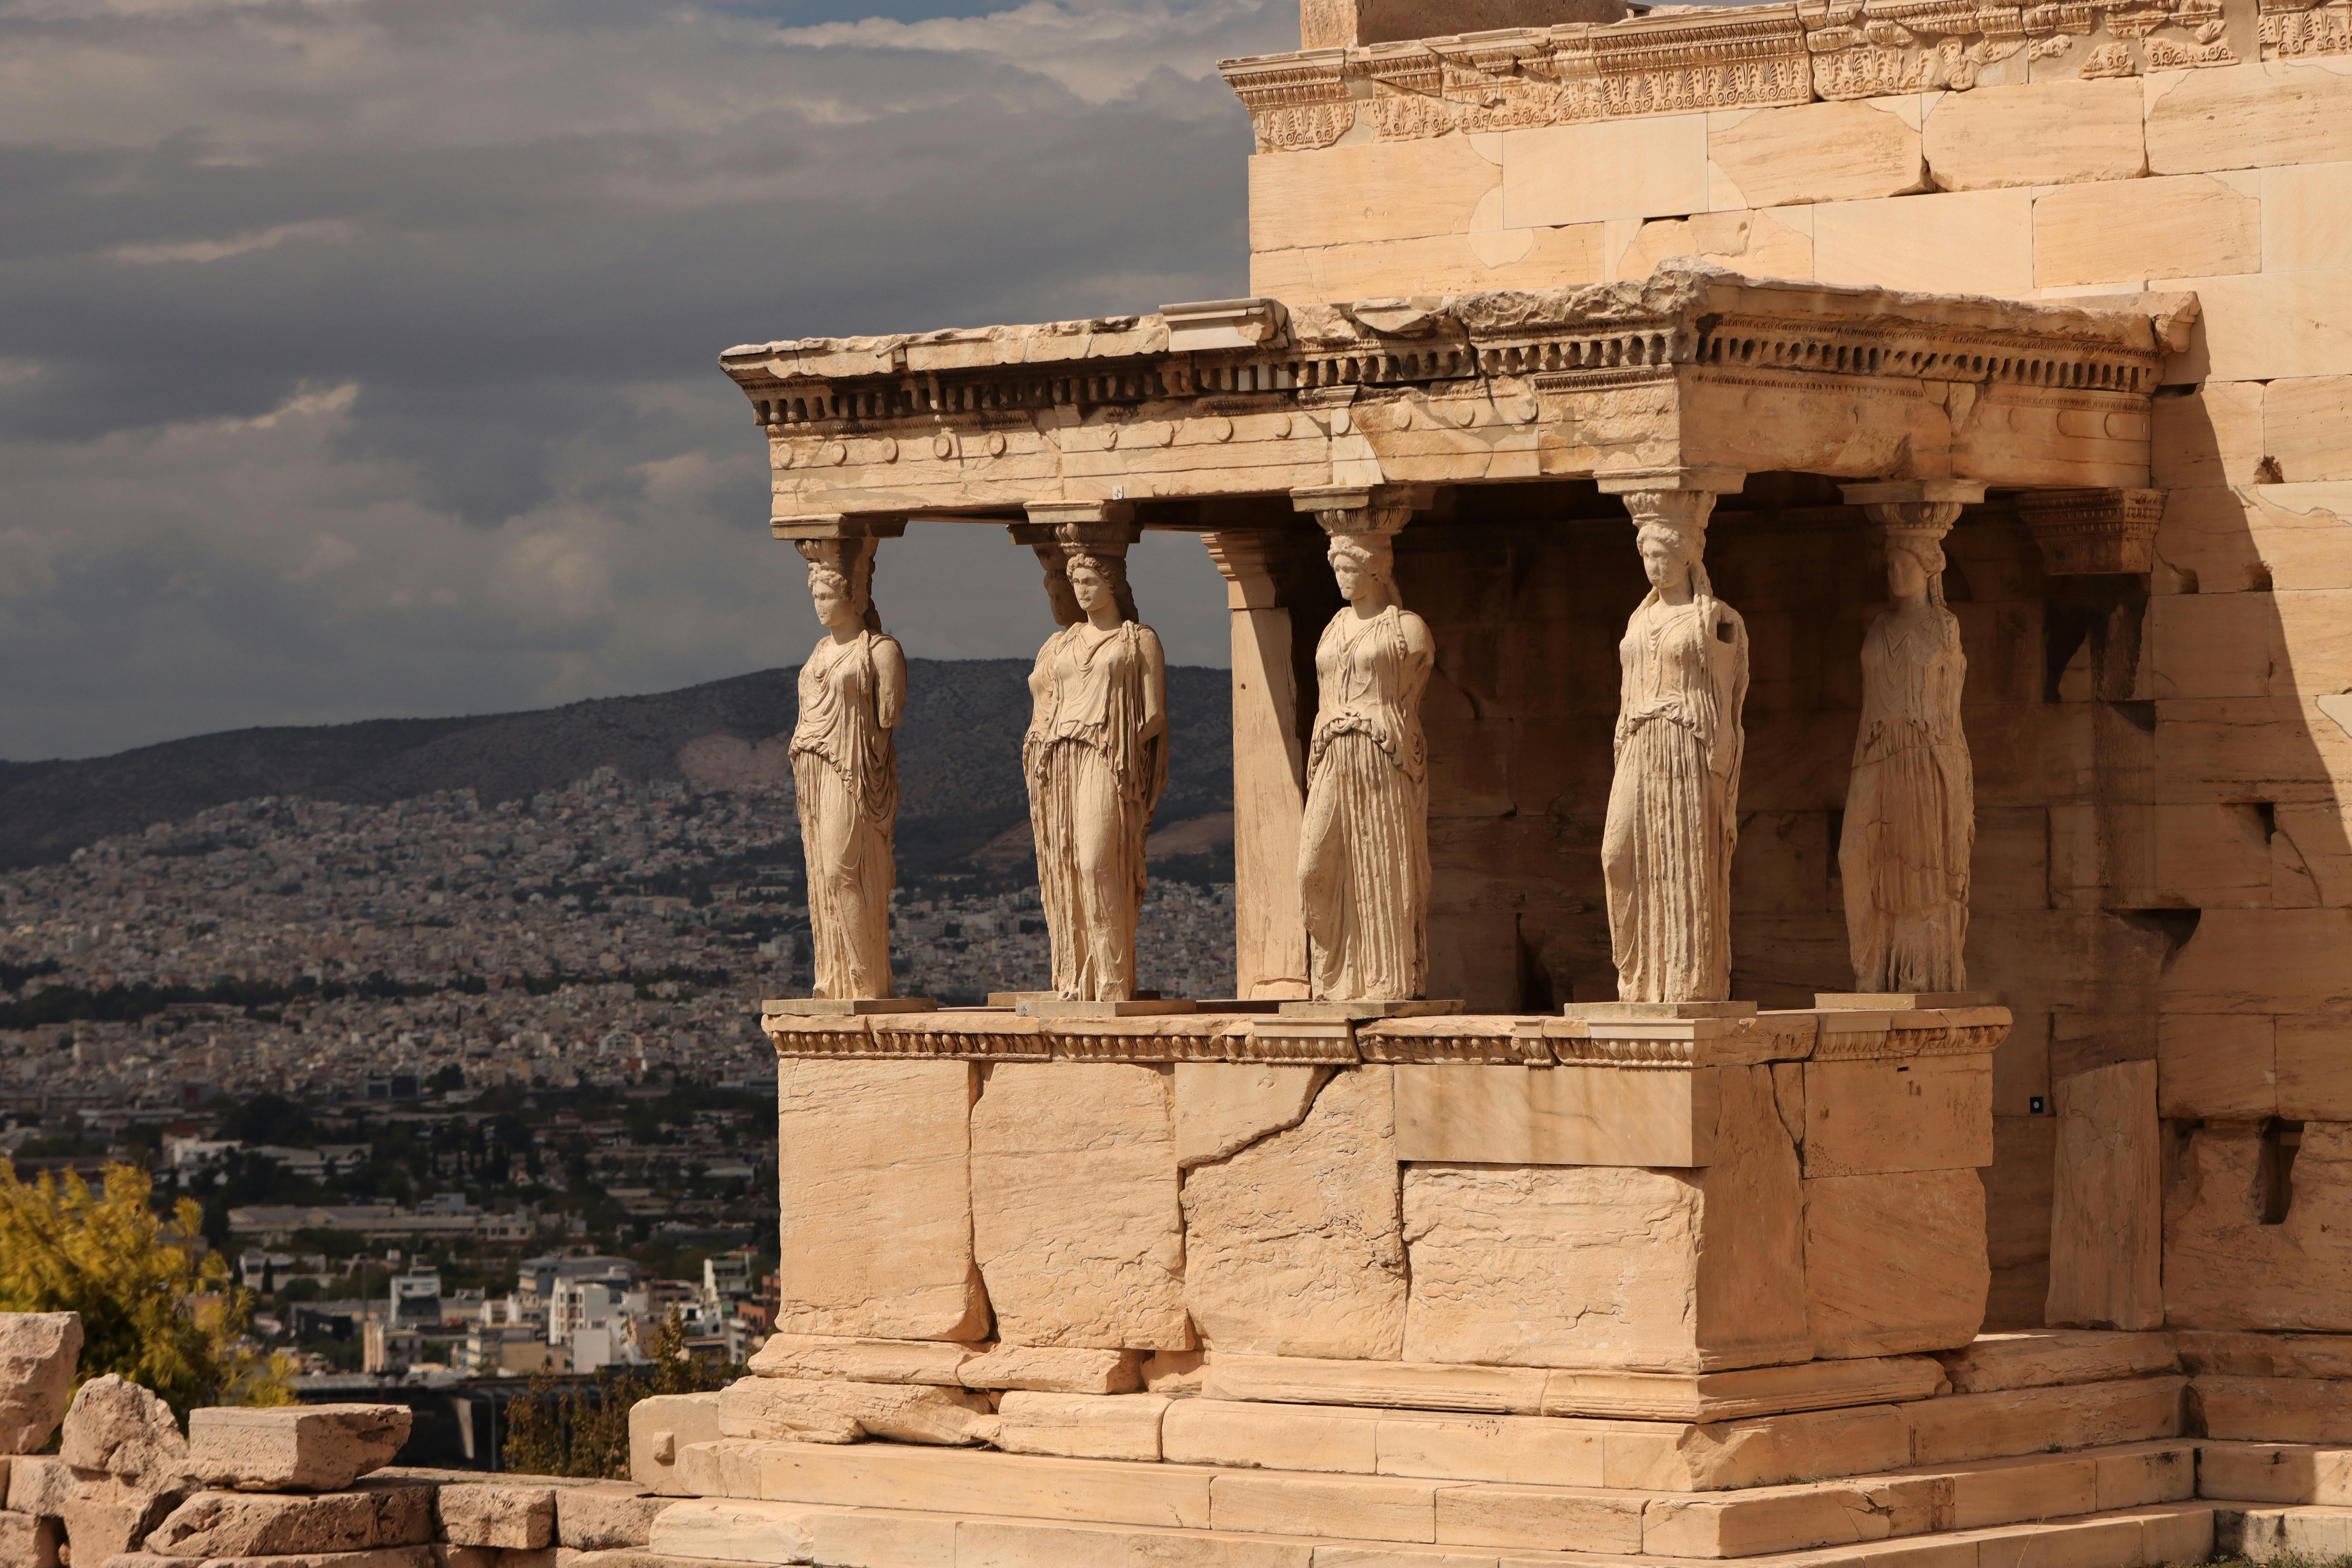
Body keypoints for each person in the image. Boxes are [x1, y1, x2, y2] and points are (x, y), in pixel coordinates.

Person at [1601, 516, 1749, 1003]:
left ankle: (1686, 980)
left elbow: (1729, 694)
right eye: (1647, 556)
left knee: (1684, 863)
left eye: (1662, 556)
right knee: (1616, 855)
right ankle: (1638, 977)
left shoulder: (1714, 619)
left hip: (1686, 746)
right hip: (1639, 744)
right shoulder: (1637, 620)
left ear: (1687, 556)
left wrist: (1721, 766)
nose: (1653, 566)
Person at [1024, 553, 1169, 1001]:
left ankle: (1112, 978)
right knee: (1066, 865)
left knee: (1097, 861)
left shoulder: (1138, 640)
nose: (1082, 590)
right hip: (1059, 760)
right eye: (1077, 583)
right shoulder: (1060, 644)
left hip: (1109, 757)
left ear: (1113, 584)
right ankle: (1075, 978)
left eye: (1090, 581)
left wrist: (1121, 743)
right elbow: (1042, 699)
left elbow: (1156, 713)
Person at [1298, 533, 1435, 1002]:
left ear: (1376, 570)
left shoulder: (1408, 631)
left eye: (1349, 568)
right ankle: (1336, 977)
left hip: (1382, 755)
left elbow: (1410, 698)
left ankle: (1385, 978)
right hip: (1334, 753)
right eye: (1336, 568)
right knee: (1313, 872)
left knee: (1384, 867)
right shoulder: (1333, 627)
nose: (1340, 577)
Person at [1840, 529, 1973, 991]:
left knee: (1920, 866)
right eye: (1891, 565)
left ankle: (1916, 973)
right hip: (1875, 748)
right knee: (1854, 854)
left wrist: (1954, 780)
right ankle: (1869, 963)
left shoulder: (1943, 627)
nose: (1896, 574)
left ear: (1929, 570)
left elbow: (1949, 704)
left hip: (1923, 749)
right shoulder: (1879, 626)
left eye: (1906, 565)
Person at [788, 554, 905, 999]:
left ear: (853, 597)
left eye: (826, 595)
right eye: (815, 596)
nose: (819, 605)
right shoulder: (818, 653)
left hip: (855, 769)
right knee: (823, 873)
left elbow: (889, 715)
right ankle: (836, 978)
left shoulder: (882, 651)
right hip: (814, 769)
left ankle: (865, 979)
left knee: (843, 869)